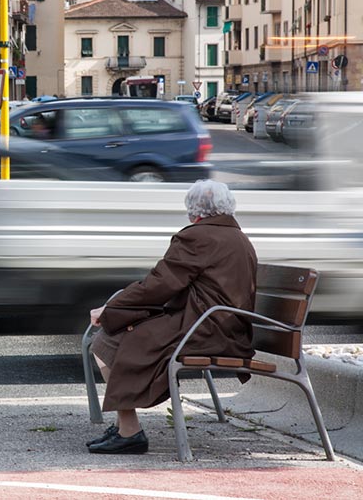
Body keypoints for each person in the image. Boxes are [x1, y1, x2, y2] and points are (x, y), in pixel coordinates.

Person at [86, 179, 257, 455]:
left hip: (203, 329)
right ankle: (123, 427)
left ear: (194, 211)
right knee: (125, 331)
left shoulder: (198, 237)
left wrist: (110, 309)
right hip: (227, 329)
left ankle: (129, 431)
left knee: (107, 341)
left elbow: (159, 285)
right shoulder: (238, 237)